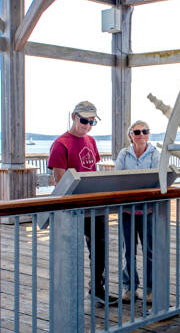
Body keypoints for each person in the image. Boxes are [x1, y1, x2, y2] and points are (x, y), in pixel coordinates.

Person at [48, 101, 117, 305]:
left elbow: (92, 170)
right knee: (70, 252)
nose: (87, 125)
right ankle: (67, 295)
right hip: (72, 208)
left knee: (99, 249)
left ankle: (97, 289)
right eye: (84, 120)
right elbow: (59, 180)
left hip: (93, 205)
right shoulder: (61, 144)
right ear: (73, 117)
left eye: (92, 122)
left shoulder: (91, 141)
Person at [115, 120, 159, 303]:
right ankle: (129, 287)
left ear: (149, 134)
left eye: (145, 131)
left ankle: (150, 289)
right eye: (137, 132)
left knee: (149, 251)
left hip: (148, 211)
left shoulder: (155, 154)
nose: (141, 135)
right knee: (128, 251)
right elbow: (117, 178)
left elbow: (157, 178)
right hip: (127, 211)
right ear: (130, 135)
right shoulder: (123, 154)